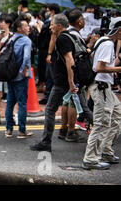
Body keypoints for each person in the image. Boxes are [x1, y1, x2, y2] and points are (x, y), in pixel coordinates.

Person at [30, 14, 76, 152]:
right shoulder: (69, 35)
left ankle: (46, 142)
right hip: (66, 81)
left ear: (59, 26)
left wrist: (70, 81)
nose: (50, 27)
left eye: (52, 25)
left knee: (49, 110)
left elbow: (70, 60)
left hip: (62, 82)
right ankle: (104, 134)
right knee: (84, 109)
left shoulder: (62, 38)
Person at [82, 20, 121, 170]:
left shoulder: (105, 41)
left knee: (116, 116)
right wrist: (119, 69)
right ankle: (91, 158)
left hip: (105, 87)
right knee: (101, 123)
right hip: (101, 87)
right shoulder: (108, 44)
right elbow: (99, 67)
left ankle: (106, 150)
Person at [4, 16, 34, 139]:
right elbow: (26, 57)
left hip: (10, 74)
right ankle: (22, 131)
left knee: (10, 103)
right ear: (19, 28)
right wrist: (24, 70)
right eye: (26, 26)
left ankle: (9, 130)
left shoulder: (11, 38)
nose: (28, 28)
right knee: (22, 103)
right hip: (20, 76)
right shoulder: (26, 40)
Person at [66, 9, 94, 134]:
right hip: (76, 75)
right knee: (74, 103)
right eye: (83, 19)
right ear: (79, 21)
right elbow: (79, 56)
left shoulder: (68, 33)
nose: (84, 22)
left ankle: (65, 128)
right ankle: (71, 131)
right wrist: (91, 45)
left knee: (67, 101)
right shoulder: (75, 35)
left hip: (69, 74)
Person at [37, 3, 60, 104]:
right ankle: (50, 96)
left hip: (52, 52)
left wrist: (49, 53)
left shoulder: (55, 22)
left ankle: (49, 97)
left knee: (50, 75)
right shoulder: (52, 21)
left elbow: (51, 38)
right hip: (48, 51)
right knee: (49, 75)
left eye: (47, 10)